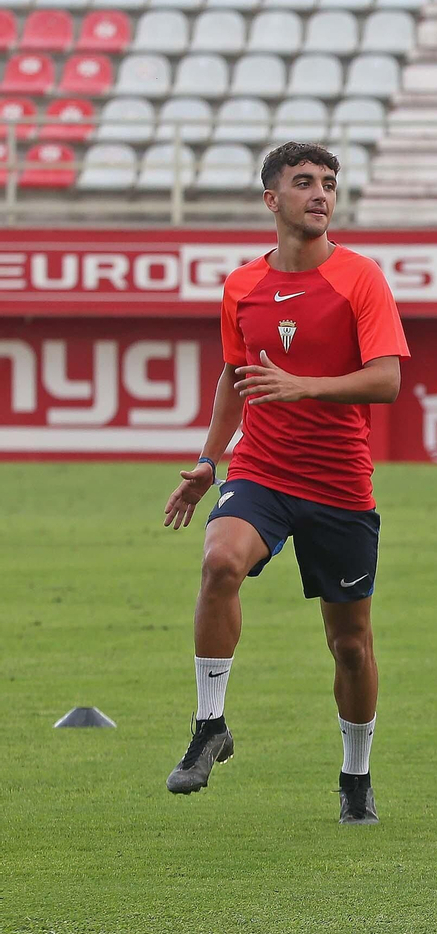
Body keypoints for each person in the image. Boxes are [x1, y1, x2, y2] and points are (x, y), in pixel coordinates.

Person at [161, 141, 410, 825]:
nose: (320, 193)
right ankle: (211, 723)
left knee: (351, 644)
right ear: (272, 199)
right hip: (262, 471)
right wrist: (209, 462)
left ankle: (355, 775)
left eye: (329, 182)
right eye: (304, 183)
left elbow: (387, 379)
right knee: (218, 563)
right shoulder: (241, 285)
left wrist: (307, 385)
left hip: (339, 485)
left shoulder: (360, 279)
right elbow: (234, 377)